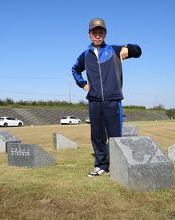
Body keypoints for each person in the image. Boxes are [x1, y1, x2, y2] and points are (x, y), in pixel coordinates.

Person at [72, 18, 142, 177]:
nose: (97, 35)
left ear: (105, 33)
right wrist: (82, 84)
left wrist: (127, 47)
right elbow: (75, 70)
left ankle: (119, 167)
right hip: (94, 101)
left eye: (100, 32)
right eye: (94, 32)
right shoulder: (85, 55)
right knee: (97, 136)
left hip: (113, 100)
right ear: (89, 34)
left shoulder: (114, 50)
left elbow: (138, 51)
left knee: (115, 136)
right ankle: (102, 166)